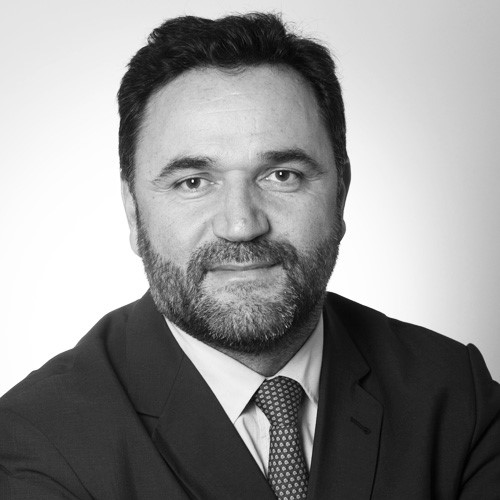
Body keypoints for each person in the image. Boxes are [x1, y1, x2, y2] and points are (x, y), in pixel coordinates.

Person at [0, 12, 499, 500]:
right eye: (193, 182)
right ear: (134, 212)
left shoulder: (456, 393)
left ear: (341, 194)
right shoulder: (40, 440)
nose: (241, 225)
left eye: (282, 175)